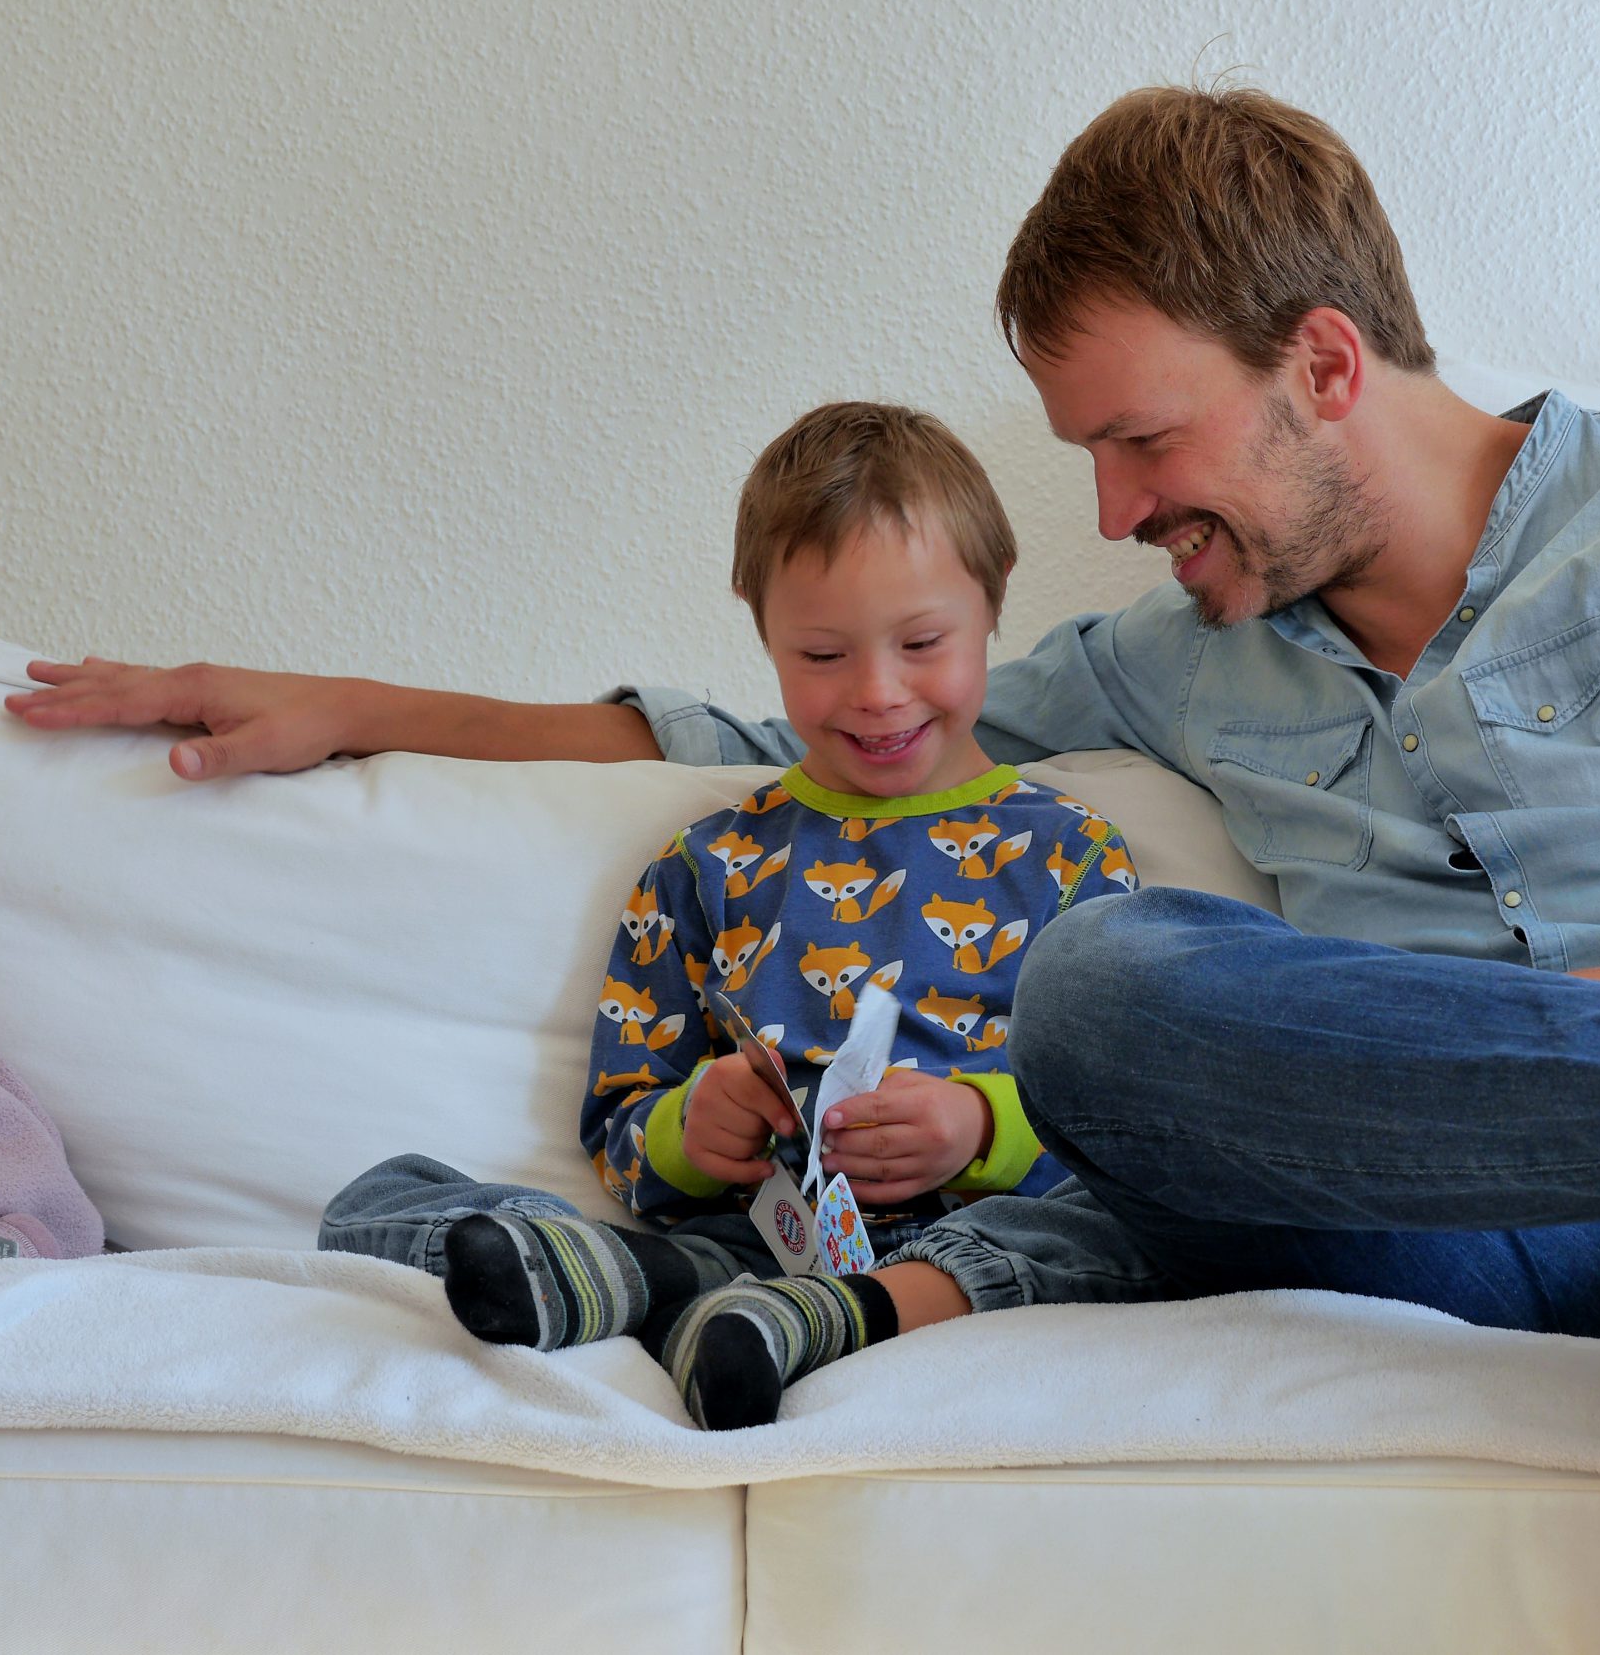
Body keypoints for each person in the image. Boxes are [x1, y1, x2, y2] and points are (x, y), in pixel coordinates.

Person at [10, 89, 1600, 1654]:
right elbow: (783, 727)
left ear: (1322, 361)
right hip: (1490, 1212)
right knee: (1106, 987)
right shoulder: (1171, 657)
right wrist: (355, 705)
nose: (1111, 513)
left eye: (1137, 439)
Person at [320, 401, 1158, 1430]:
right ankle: (684, 1292)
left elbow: (1130, 1119)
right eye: (821, 656)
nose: (878, 692)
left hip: (980, 1245)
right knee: (377, 1201)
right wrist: (691, 1128)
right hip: (756, 1237)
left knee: (1143, 1231)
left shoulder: (1070, 855)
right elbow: (624, 1134)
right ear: (762, 631)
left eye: (922, 642)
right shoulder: (705, 868)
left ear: (991, 610)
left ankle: (745, 1311)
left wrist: (979, 1125)